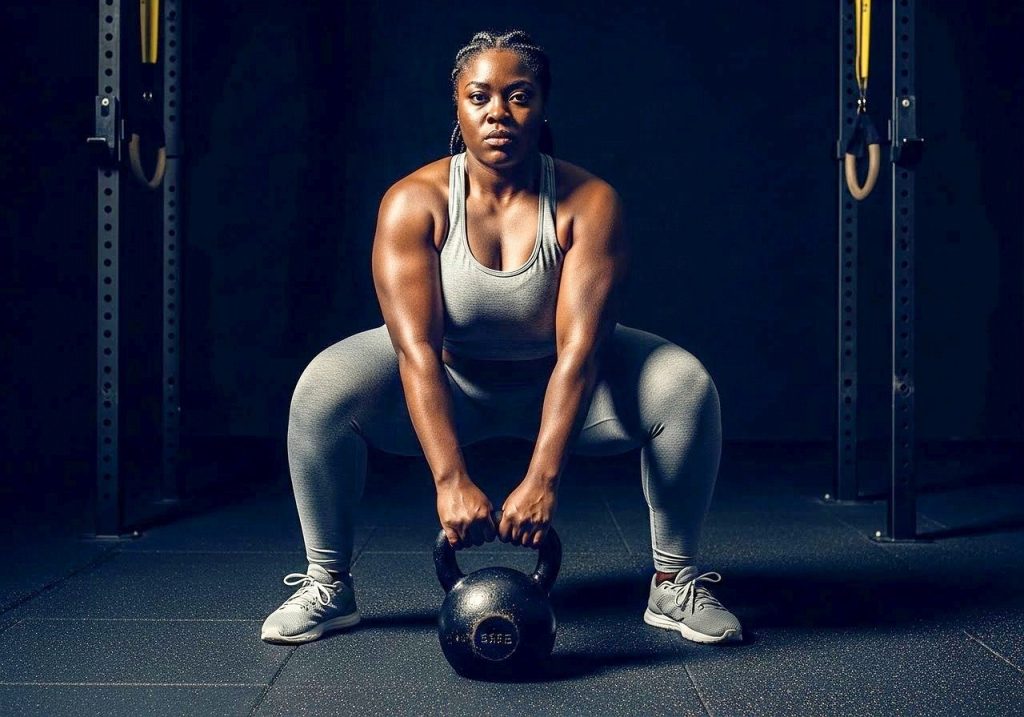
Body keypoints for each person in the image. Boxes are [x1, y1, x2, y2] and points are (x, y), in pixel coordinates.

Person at [260, 29, 742, 647]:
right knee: (323, 386)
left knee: (685, 386)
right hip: (450, 383)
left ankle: (674, 582)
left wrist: (543, 477)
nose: (498, 114)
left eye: (518, 97)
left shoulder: (590, 202)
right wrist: (449, 479)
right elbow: (416, 351)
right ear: (458, 109)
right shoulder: (413, 201)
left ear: (541, 106)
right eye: (479, 97)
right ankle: (329, 584)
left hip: (570, 385)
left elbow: (581, 352)